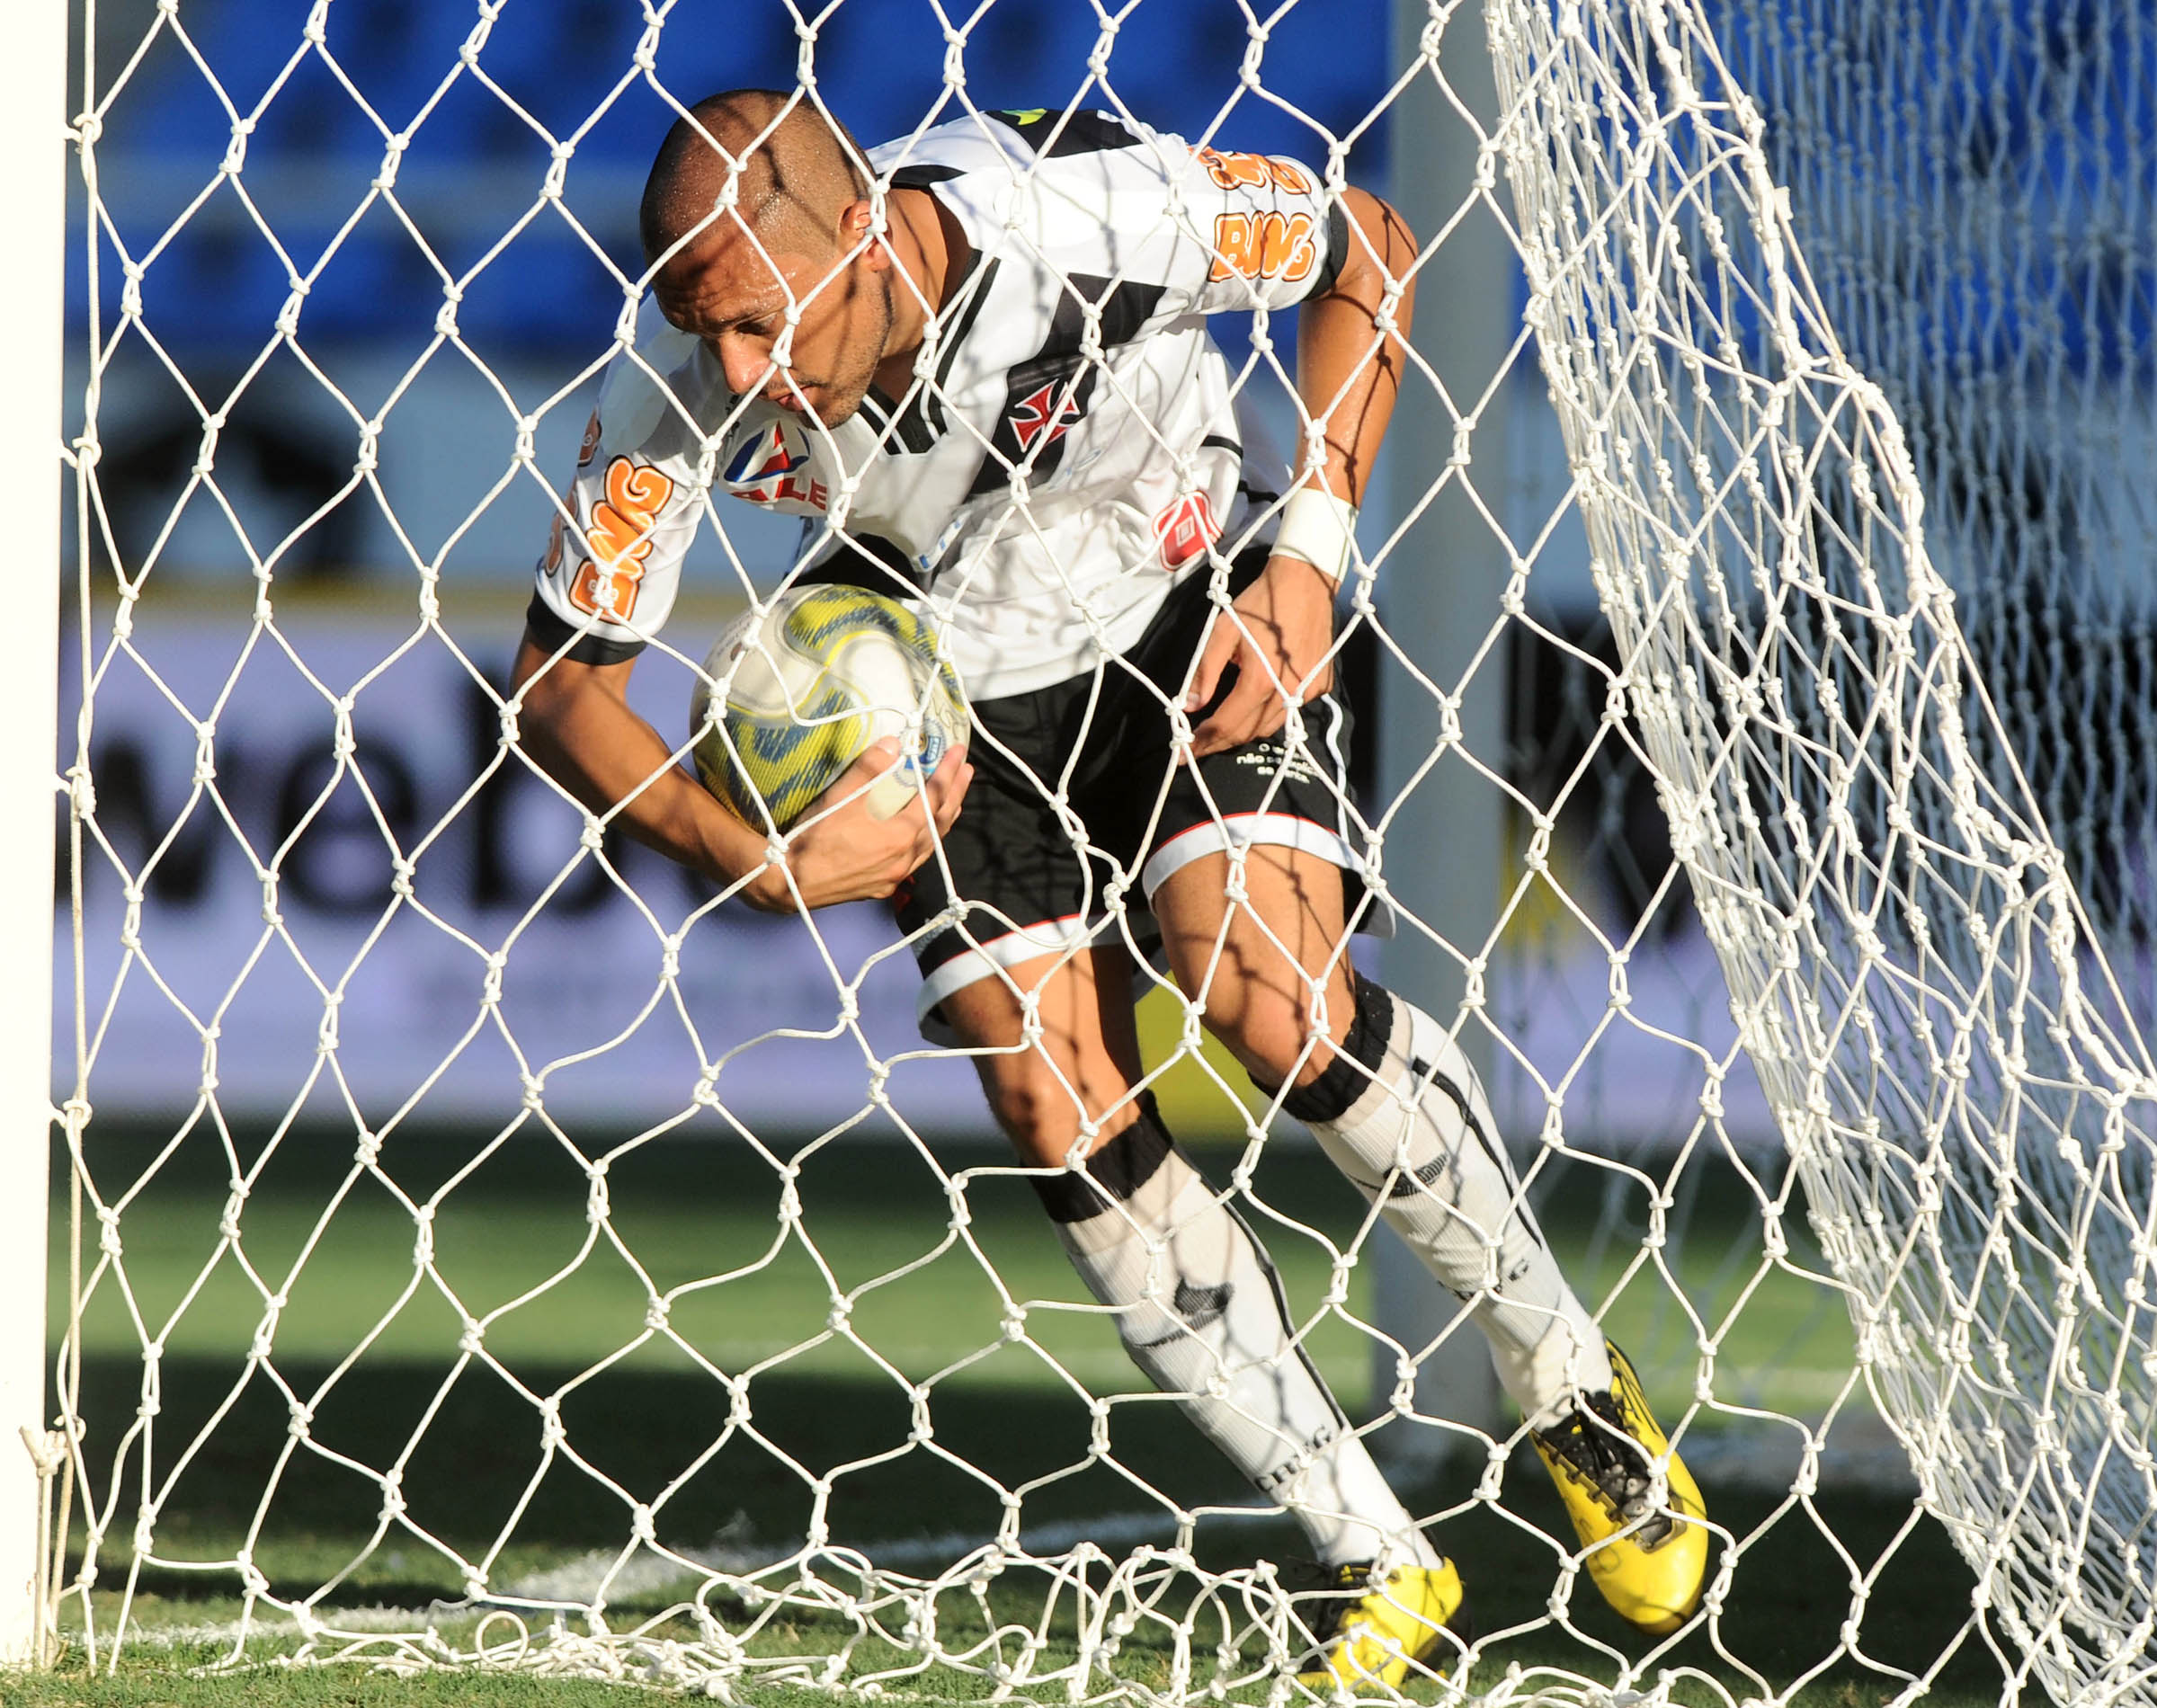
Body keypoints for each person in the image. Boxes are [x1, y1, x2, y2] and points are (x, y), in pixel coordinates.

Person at [511, 88, 1707, 1690]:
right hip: (949, 704)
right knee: (1049, 1100)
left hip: (1183, 600)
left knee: (1268, 998)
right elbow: (561, 682)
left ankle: (1567, 1384)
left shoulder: (1081, 215)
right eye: (695, 327)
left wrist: (1310, 554)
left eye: (752, 323)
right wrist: (742, 853)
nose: (731, 373)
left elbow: (1367, 241)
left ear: (862, 232)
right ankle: (1375, 1556)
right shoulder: (676, 391)